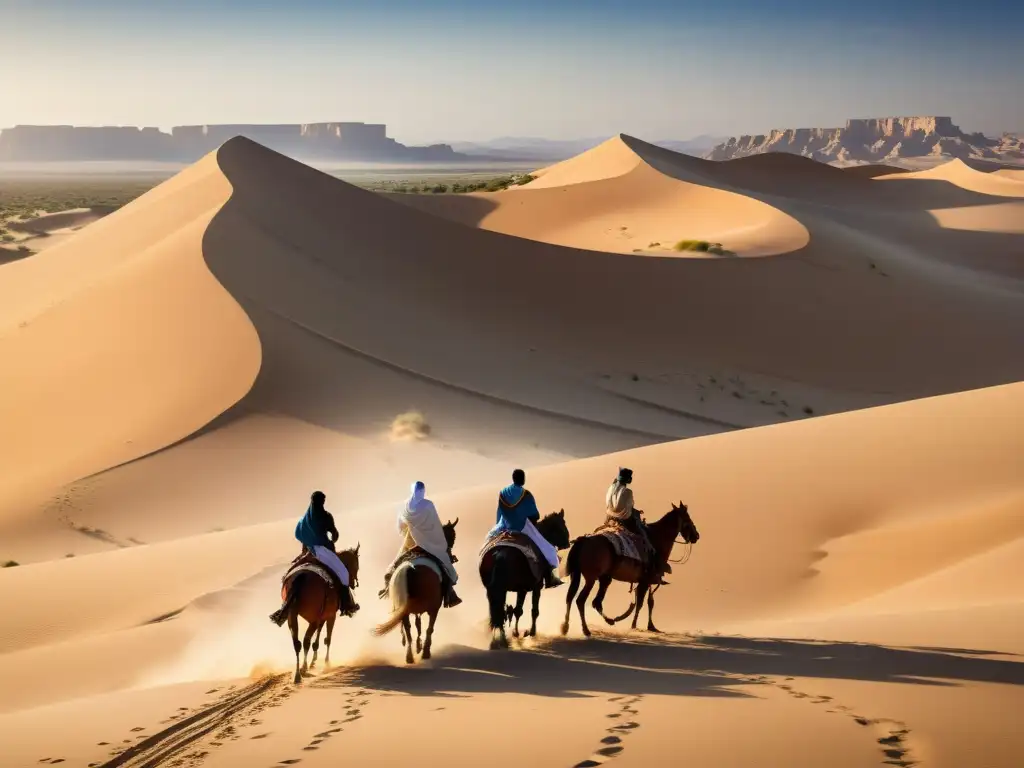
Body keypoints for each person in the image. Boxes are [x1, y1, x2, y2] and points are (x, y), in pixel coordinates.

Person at [380, 481, 462, 607]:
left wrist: (409, 531)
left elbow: (400, 528)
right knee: (445, 566)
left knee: (393, 566)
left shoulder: (404, 506)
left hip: (409, 543)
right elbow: (436, 526)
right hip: (428, 544)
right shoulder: (428, 505)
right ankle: (450, 595)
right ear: (422, 491)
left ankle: (387, 589)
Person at [488, 469, 563, 587]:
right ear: (522, 479)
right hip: (522, 526)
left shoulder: (503, 493)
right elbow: (535, 515)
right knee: (548, 549)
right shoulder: (526, 494)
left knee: (488, 543)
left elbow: (499, 513)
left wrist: (500, 526)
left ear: (513, 479)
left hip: (505, 526)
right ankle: (552, 578)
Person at [293, 490, 356, 613]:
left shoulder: (304, 520)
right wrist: (334, 537)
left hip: (308, 551)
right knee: (343, 573)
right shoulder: (326, 516)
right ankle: (346, 604)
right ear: (322, 502)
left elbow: (301, 536)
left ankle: (285, 607)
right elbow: (334, 535)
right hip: (323, 551)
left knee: (290, 572)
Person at [605, 468, 664, 582]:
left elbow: (615, 505)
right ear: (628, 479)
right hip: (624, 521)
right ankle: (650, 570)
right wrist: (635, 513)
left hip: (609, 519)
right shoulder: (627, 492)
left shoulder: (611, 488)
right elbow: (627, 509)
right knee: (645, 538)